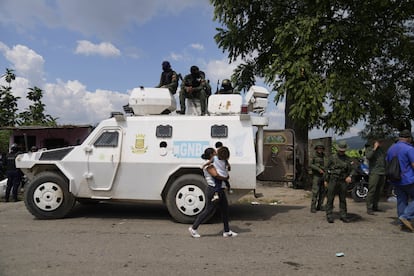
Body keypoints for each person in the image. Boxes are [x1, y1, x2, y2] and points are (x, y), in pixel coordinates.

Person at [188, 147, 238, 238]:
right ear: (211, 154)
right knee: (208, 210)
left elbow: (225, 166)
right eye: (214, 152)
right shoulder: (209, 166)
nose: (216, 153)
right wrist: (226, 178)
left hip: (220, 190)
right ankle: (193, 228)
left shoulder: (218, 161)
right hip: (213, 190)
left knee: (225, 210)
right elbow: (216, 176)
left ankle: (227, 231)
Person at [386, 129, 414, 231]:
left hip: (395, 179)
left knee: (401, 200)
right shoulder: (409, 149)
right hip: (408, 179)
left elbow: (388, 162)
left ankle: (402, 223)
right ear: (409, 138)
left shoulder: (391, 148)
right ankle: (405, 217)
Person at [325, 141, 354, 223]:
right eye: (340, 150)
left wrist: (350, 176)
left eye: (343, 150)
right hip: (333, 180)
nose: (341, 152)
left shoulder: (347, 159)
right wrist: (326, 180)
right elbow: (326, 169)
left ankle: (343, 215)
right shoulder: (332, 158)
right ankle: (329, 215)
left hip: (342, 181)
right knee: (330, 198)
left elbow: (353, 169)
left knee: (343, 199)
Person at [365, 139, 386, 215]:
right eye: (379, 142)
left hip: (382, 172)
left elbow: (384, 160)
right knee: (372, 190)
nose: (381, 143)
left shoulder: (381, 150)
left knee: (379, 191)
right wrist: (374, 148)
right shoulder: (370, 149)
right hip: (374, 172)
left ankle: (375, 206)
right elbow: (368, 156)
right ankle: (369, 208)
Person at [309, 144, 327, 213]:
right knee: (315, 192)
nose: (320, 150)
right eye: (318, 148)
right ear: (316, 149)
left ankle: (320, 206)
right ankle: (313, 207)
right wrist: (318, 169)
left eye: (321, 148)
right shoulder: (313, 156)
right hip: (316, 176)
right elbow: (310, 164)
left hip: (323, 175)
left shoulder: (324, 156)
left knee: (322, 192)